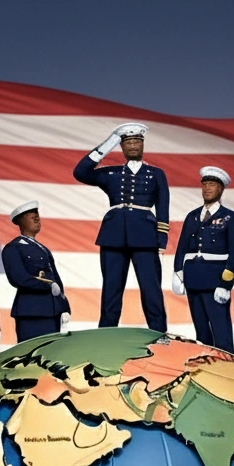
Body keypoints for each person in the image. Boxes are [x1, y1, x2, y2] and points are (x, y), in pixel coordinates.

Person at [73, 122, 169, 331]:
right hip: (114, 234)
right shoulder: (112, 173)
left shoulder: (156, 174)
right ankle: (105, 335)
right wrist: (109, 142)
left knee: (151, 290)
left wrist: (161, 240)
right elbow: (80, 172)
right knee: (111, 291)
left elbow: (163, 207)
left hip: (145, 236)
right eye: (127, 141)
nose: (133, 145)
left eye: (137, 141)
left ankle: (159, 334)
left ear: (143, 145)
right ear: (122, 146)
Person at [172, 166, 234, 352]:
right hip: (193, 280)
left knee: (222, 336)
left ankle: (229, 372)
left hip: (215, 282)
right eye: (204, 184)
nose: (207, 188)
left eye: (211, 184)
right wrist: (178, 272)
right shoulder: (192, 216)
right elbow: (182, 247)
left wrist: (225, 284)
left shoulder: (230, 217)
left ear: (221, 189)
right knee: (202, 335)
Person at [1, 201, 71, 342]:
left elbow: (55, 279)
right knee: (32, 357)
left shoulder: (43, 249)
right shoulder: (13, 248)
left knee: (51, 356)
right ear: (20, 221)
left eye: (37, 215)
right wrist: (47, 285)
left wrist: (64, 307)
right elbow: (18, 278)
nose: (36, 218)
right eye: (30, 216)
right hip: (31, 311)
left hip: (52, 312)